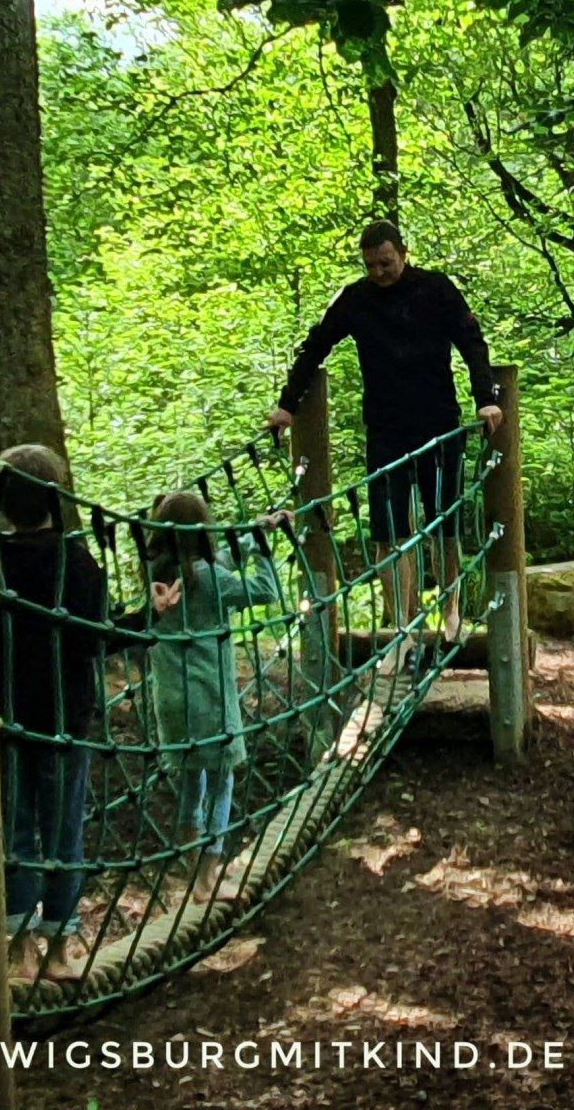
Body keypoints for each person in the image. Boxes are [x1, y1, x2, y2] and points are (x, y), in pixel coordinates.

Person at [266, 219, 503, 633]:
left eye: (386, 263)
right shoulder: (356, 299)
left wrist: (486, 399)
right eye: (371, 265)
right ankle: (402, 625)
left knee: (443, 523)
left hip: (438, 424)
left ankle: (450, 614)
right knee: (387, 530)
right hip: (385, 430)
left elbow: (471, 341)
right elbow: (316, 344)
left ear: (403, 253)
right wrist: (287, 405)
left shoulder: (437, 289)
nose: (379, 272)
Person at [0, 443, 110, 982]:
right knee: (64, 834)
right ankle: (60, 950)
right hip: (66, 720)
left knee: (15, 833)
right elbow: (95, 641)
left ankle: (16, 952)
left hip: (8, 717)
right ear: (55, 498)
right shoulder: (77, 562)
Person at [142, 492, 290, 904]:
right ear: (203, 529)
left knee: (191, 782)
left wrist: (252, 532)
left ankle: (193, 874)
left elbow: (218, 558)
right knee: (222, 779)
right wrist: (262, 549)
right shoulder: (213, 579)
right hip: (209, 696)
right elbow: (264, 590)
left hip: (170, 699)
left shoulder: (153, 572)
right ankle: (209, 877)